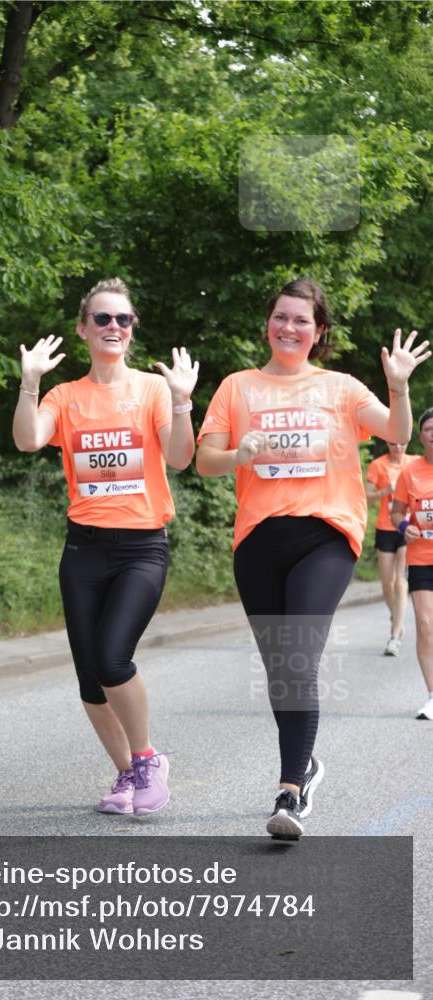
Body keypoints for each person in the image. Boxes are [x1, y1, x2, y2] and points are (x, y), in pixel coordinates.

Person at [196, 278, 430, 839]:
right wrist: (238, 453)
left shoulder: (342, 388)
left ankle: (290, 791)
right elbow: (204, 461)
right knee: (282, 670)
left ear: (318, 331)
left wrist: (398, 387)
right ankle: (307, 764)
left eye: (302, 320)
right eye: (281, 317)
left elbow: (396, 430)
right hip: (257, 540)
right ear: (268, 324)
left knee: (298, 658)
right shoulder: (238, 387)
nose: (290, 327)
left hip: (326, 535)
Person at [13, 278, 198, 815]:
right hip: (83, 550)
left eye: (123, 319)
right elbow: (27, 439)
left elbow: (182, 458)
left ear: (133, 329)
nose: (113, 327)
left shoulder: (152, 390)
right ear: (83, 328)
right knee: (90, 680)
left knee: (114, 657)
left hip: (142, 547)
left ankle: (147, 760)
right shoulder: (65, 396)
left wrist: (183, 401)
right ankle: (126, 775)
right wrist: (29, 382)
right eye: (102, 319)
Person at [391, 407, 433, 720]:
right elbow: (396, 513)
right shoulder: (410, 472)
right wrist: (406, 527)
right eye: (429, 429)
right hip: (421, 557)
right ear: (420, 436)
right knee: (425, 625)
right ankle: (432, 696)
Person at [365, 441, 415, 655]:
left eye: (402, 444)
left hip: (407, 528)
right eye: (393, 444)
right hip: (385, 528)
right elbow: (366, 497)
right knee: (387, 584)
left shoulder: (414, 463)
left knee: (401, 582)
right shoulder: (377, 465)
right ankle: (397, 617)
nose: (398, 448)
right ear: (387, 443)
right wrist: (386, 490)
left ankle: (395, 636)